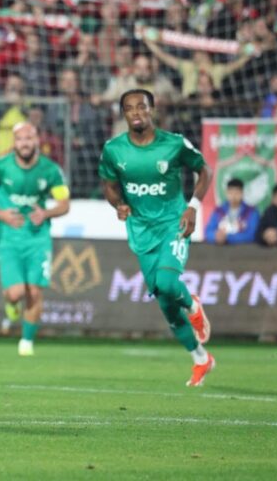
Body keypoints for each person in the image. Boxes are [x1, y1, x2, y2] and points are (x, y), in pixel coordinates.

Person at [98, 89, 215, 387]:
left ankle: (193, 306)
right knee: (166, 304)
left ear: (152, 109)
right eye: (129, 108)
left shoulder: (174, 144)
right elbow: (109, 186)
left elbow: (205, 170)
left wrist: (193, 206)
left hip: (174, 223)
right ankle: (201, 358)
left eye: (141, 106)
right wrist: (118, 204)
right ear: (123, 114)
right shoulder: (113, 149)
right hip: (141, 231)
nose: (136, 112)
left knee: (167, 283)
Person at [0, 122, 70, 356]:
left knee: (34, 291)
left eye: (29, 138)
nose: (24, 143)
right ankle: (11, 303)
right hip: (9, 237)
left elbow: (64, 204)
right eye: (20, 139)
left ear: (37, 140)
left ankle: (26, 342)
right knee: (16, 292)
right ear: (14, 142)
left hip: (38, 238)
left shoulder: (50, 170)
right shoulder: (0, 167)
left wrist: (46, 213)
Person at [203, 178, 260, 245]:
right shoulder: (218, 211)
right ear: (226, 193)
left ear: (242, 193)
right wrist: (215, 236)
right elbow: (208, 232)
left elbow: (252, 235)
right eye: (231, 193)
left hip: (243, 249)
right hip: (220, 250)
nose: (233, 196)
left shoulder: (251, 212)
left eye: (236, 193)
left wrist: (228, 238)